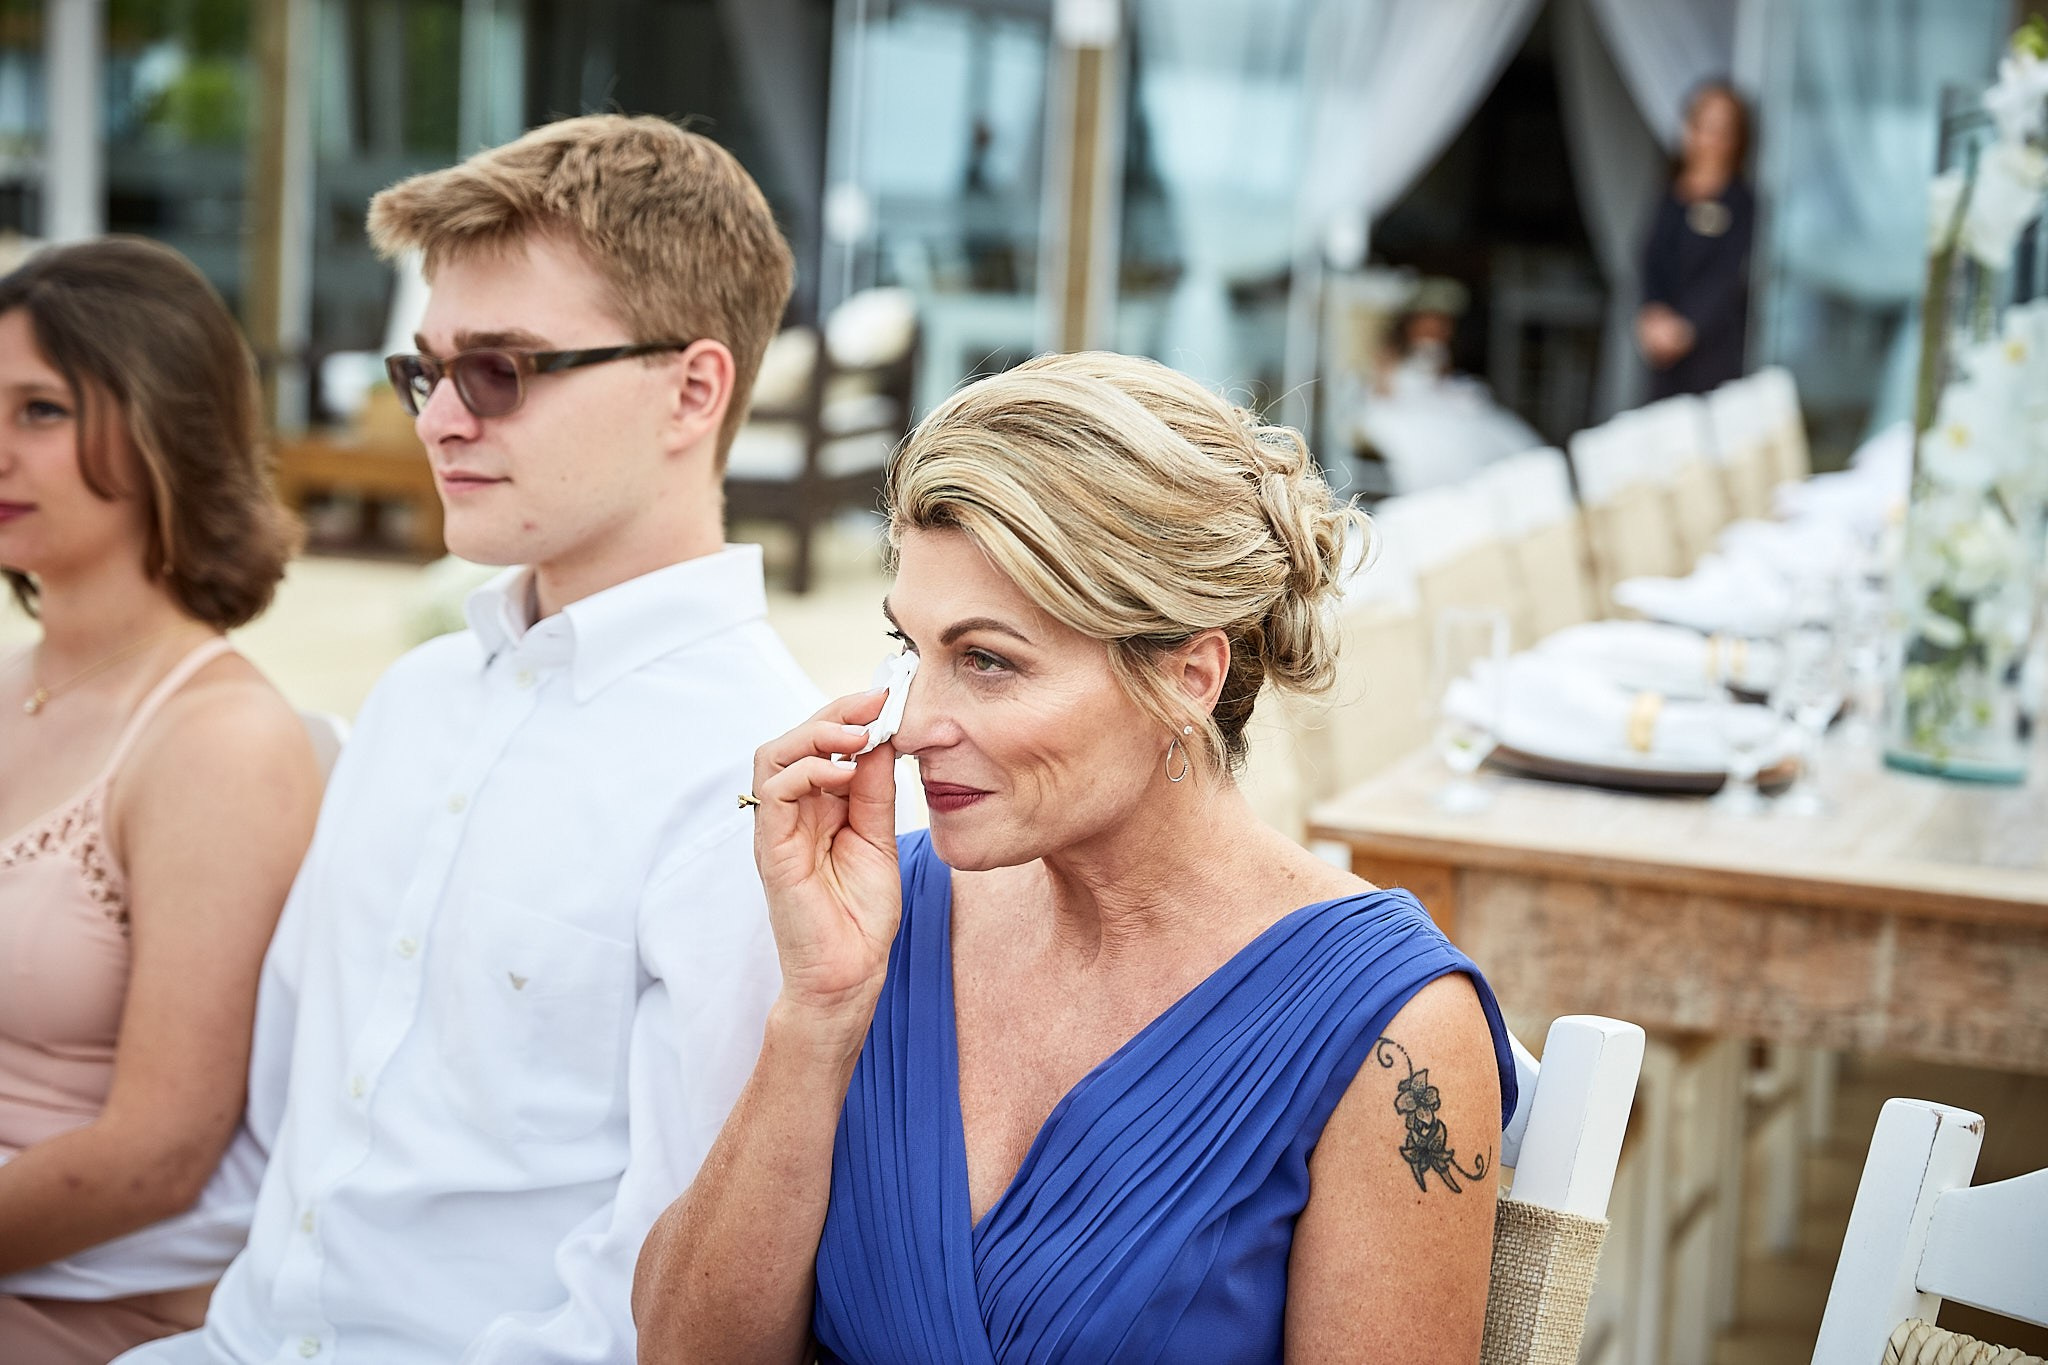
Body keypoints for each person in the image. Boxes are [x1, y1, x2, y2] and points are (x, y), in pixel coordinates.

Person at [635, 351, 1521, 1363]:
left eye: (987, 662)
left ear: (1187, 677)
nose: (915, 724)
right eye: (910, 650)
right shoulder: (886, 918)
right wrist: (817, 1017)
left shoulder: (1389, 1028)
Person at [119, 114, 819, 1365]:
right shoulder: (415, 700)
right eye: (424, 372)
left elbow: (649, 1297)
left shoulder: (766, 779)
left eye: (498, 371)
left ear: (692, 389)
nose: (440, 419)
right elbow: (281, 1133)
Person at [0, 238, 322, 1361]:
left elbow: (158, 1153)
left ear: (160, 430)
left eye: (38, 411)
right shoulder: (9, 687)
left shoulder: (219, 743)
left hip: (76, 1300)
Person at [1637, 80, 1756, 399]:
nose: (1710, 140)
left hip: (1714, 353)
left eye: (1722, 130)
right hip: (1664, 354)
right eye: (1704, 127)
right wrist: (1652, 313)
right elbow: (1651, 261)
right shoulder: (1670, 196)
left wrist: (1687, 327)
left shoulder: (1741, 204)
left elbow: (1731, 274)